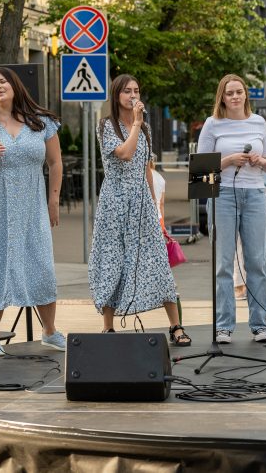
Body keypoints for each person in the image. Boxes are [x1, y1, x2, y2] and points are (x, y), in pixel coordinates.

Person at [0, 67, 66, 356]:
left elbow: (55, 163)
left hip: (31, 205)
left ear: (15, 85)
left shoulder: (41, 122)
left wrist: (53, 200)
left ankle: (50, 331)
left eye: (2, 81)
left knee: (41, 263)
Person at [89, 75, 189, 346]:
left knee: (157, 261)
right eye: (127, 91)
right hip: (115, 202)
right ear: (116, 95)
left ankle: (176, 326)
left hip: (142, 202)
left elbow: (146, 167)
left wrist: (157, 209)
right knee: (112, 262)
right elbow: (125, 153)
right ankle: (108, 327)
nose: (133, 95)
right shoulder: (106, 126)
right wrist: (135, 123)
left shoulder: (144, 127)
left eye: (136, 90)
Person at [197, 74, 266, 344]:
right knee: (223, 263)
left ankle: (259, 325)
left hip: (254, 194)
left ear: (245, 95)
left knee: (257, 261)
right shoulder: (212, 124)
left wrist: (260, 161)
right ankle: (224, 326)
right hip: (223, 196)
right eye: (229, 93)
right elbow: (200, 170)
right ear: (222, 97)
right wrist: (229, 159)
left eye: (239, 92)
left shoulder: (259, 122)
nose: (234, 97)